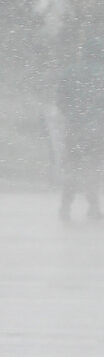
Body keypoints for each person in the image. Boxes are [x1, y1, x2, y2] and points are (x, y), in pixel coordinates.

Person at [55, 37, 104, 221]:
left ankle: (65, 206)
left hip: (75, 129)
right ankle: (93, 206)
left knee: (73, 167)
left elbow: (61, 101)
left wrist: (73, 116)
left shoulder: (70, 72)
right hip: (100, 130)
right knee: (95, 168)